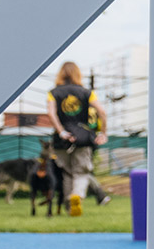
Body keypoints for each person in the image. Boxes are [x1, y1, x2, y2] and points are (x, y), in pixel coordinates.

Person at [44, 61, 109, 211]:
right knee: (81, 172)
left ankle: (69, 207)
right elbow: (102, 112)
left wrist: (61, 131)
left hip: (62, 140)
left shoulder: (53, 93)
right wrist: (103, 133)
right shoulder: (87, 93)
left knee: (67, 173)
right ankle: (77, 195)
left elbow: (51, 113)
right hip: (83, 138)